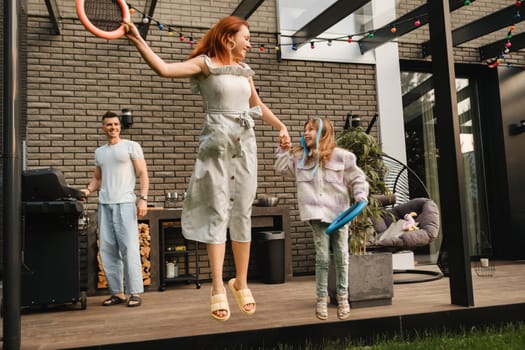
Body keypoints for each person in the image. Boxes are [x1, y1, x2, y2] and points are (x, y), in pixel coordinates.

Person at [125, 16, 290, 321]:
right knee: (217, 211)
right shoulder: (205, 65)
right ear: (229, 39)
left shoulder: (244, 72)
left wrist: (280, 126)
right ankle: (217, 285)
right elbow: (163, 69)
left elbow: (258, 104)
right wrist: (138, 40)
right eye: (247, 38)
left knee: (242, 211)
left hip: (245, 148)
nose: (250, 44)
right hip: (216, 149)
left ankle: (239, 281)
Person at [275, 116, 369, 320]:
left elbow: (358, 178)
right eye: (305, 129)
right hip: (316, 215)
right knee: (323, 258)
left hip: (340, 214)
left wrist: (361, 195)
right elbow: (281, 168)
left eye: (311, 129)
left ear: (323, 133)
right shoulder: (301, 158)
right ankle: (321, 299)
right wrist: (283, 149)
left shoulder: (342, 157)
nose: (306, 132)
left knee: (342, 256)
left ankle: (343, 297)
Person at [81, 111, 149, 307]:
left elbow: (143, 173)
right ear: (103, 128)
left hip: (125, 204)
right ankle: (117, 293)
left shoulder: (131, 146)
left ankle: (134, 292)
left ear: (120, 126)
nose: (113, 128)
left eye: (116, 124)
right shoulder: (100, 152)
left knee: (129, 248)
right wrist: (88, 189)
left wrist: (143, 199)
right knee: (108, 249)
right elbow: (98, 178)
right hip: (104, 205)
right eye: (109, 125)